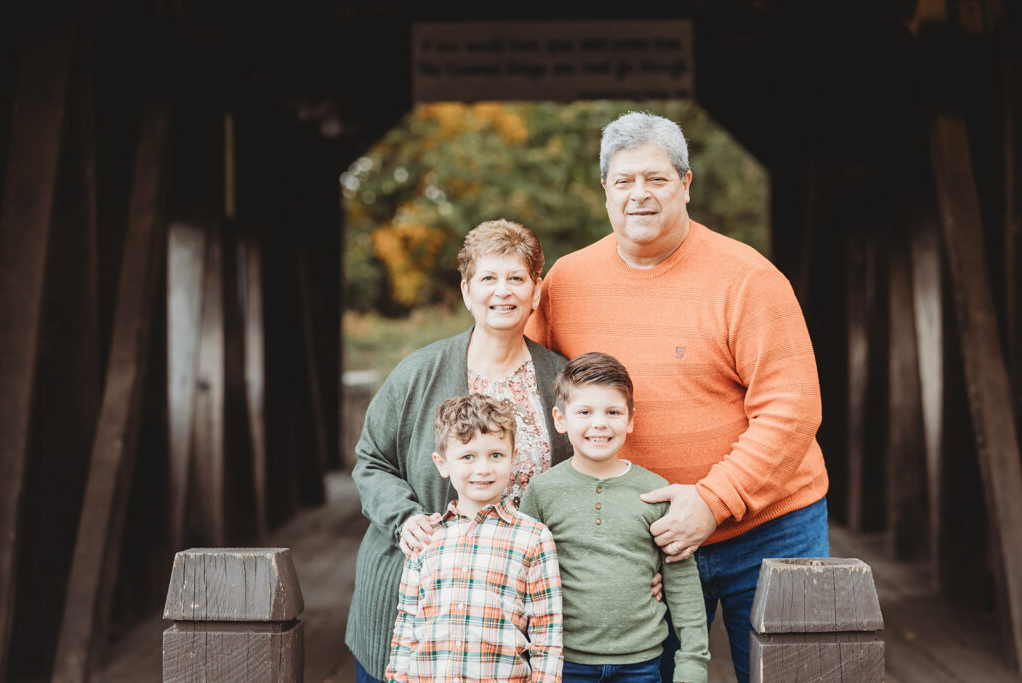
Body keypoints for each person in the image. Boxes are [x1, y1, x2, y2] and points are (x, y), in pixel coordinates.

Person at [525, 111, 829, 683]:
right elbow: (529, 391)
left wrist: (711, 502)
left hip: (767, 528)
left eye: (656, 179)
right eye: (624, 181)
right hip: (635, 542)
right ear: (605, 191)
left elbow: (792, 410)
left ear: (686, 184)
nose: (639, 195)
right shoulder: (565, 282)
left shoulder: (748, 279)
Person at [347, 219, 572, 683]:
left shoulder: (561, 381)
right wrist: (403, 518)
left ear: (536, 290)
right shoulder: (418, 374)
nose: (503, 291)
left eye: (516, 278)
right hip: (414, 620)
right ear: (468, 291)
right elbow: (371, 461)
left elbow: (588, 480)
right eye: (489, 278)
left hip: (506, 629)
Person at [519, 353, 709, 683]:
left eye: (613, 412)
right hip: (565, 661)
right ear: (560, 419)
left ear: (630, 419)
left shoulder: (654, 491)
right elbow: (520, 573)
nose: (600, 423)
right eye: (584, 412)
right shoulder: (542, 491)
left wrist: (693, 660)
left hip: (642, 662)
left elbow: (681, 581)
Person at [385, 394, 563, 682]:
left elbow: (547, 636)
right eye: (468, 457)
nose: (483, 469)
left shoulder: (534, 538)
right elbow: (406, 625)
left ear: (513, 458)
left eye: (496, 455)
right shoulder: (426, 537)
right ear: (442, 464)